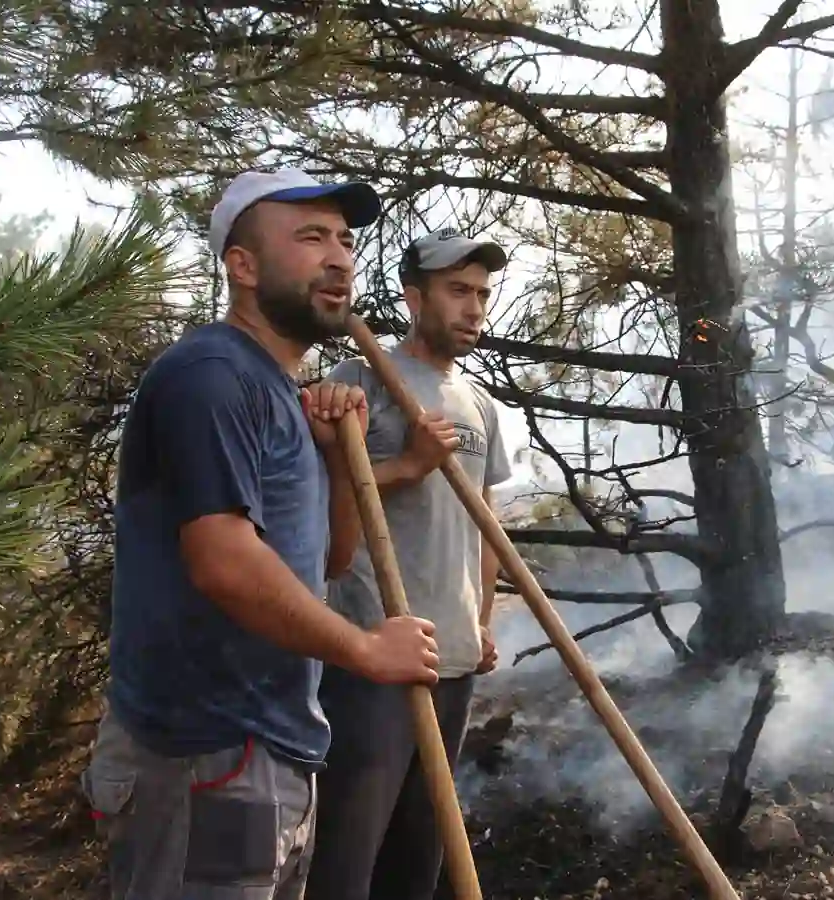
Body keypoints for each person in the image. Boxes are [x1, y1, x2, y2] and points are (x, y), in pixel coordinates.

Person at [81, 168, 443, 900]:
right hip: (204, 756)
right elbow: (223, 562)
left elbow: (329, 562)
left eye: (344, 240)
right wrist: (368, 650)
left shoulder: (280, 394)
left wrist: (338, 462)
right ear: (241, 267)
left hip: (266, 752)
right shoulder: (211, 376)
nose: (340, 256)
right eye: (310, 237)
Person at [304, 227, 513, 900]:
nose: (474, 307)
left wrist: (481, 623)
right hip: (376, 653)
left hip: (451, 659)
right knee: (347, 854)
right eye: (457, 291)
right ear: (414, 297)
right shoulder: (356, 383)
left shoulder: (479, 403)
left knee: (420, 855)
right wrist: (409, 465)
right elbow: (323, 505)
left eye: (481, 293)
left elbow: (483, 523)